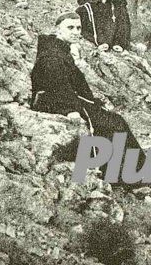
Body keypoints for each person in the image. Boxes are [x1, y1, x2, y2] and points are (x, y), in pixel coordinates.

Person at [30, 12, 143, 178]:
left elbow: (76, 83)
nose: (76, 32)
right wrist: (72, 110)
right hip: (54, 102)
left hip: (66, 98)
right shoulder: (51, 55)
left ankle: (133, 173)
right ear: (57, 29)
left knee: (115, 121)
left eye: (78, 28)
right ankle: (126, 177)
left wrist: (92, 102)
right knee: (113, 125)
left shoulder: (60, 49)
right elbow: (57, 87)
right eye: (70, 27)